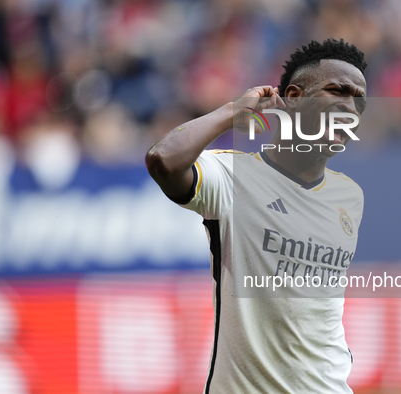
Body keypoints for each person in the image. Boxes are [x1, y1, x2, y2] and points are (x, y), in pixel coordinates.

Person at [146, 38, 367, 393]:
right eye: (337, 91)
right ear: (294, 97)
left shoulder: (350, 196)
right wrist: (231, 113)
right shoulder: (232, 176)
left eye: (359, 100)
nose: (351, 108)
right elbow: (164, 159)